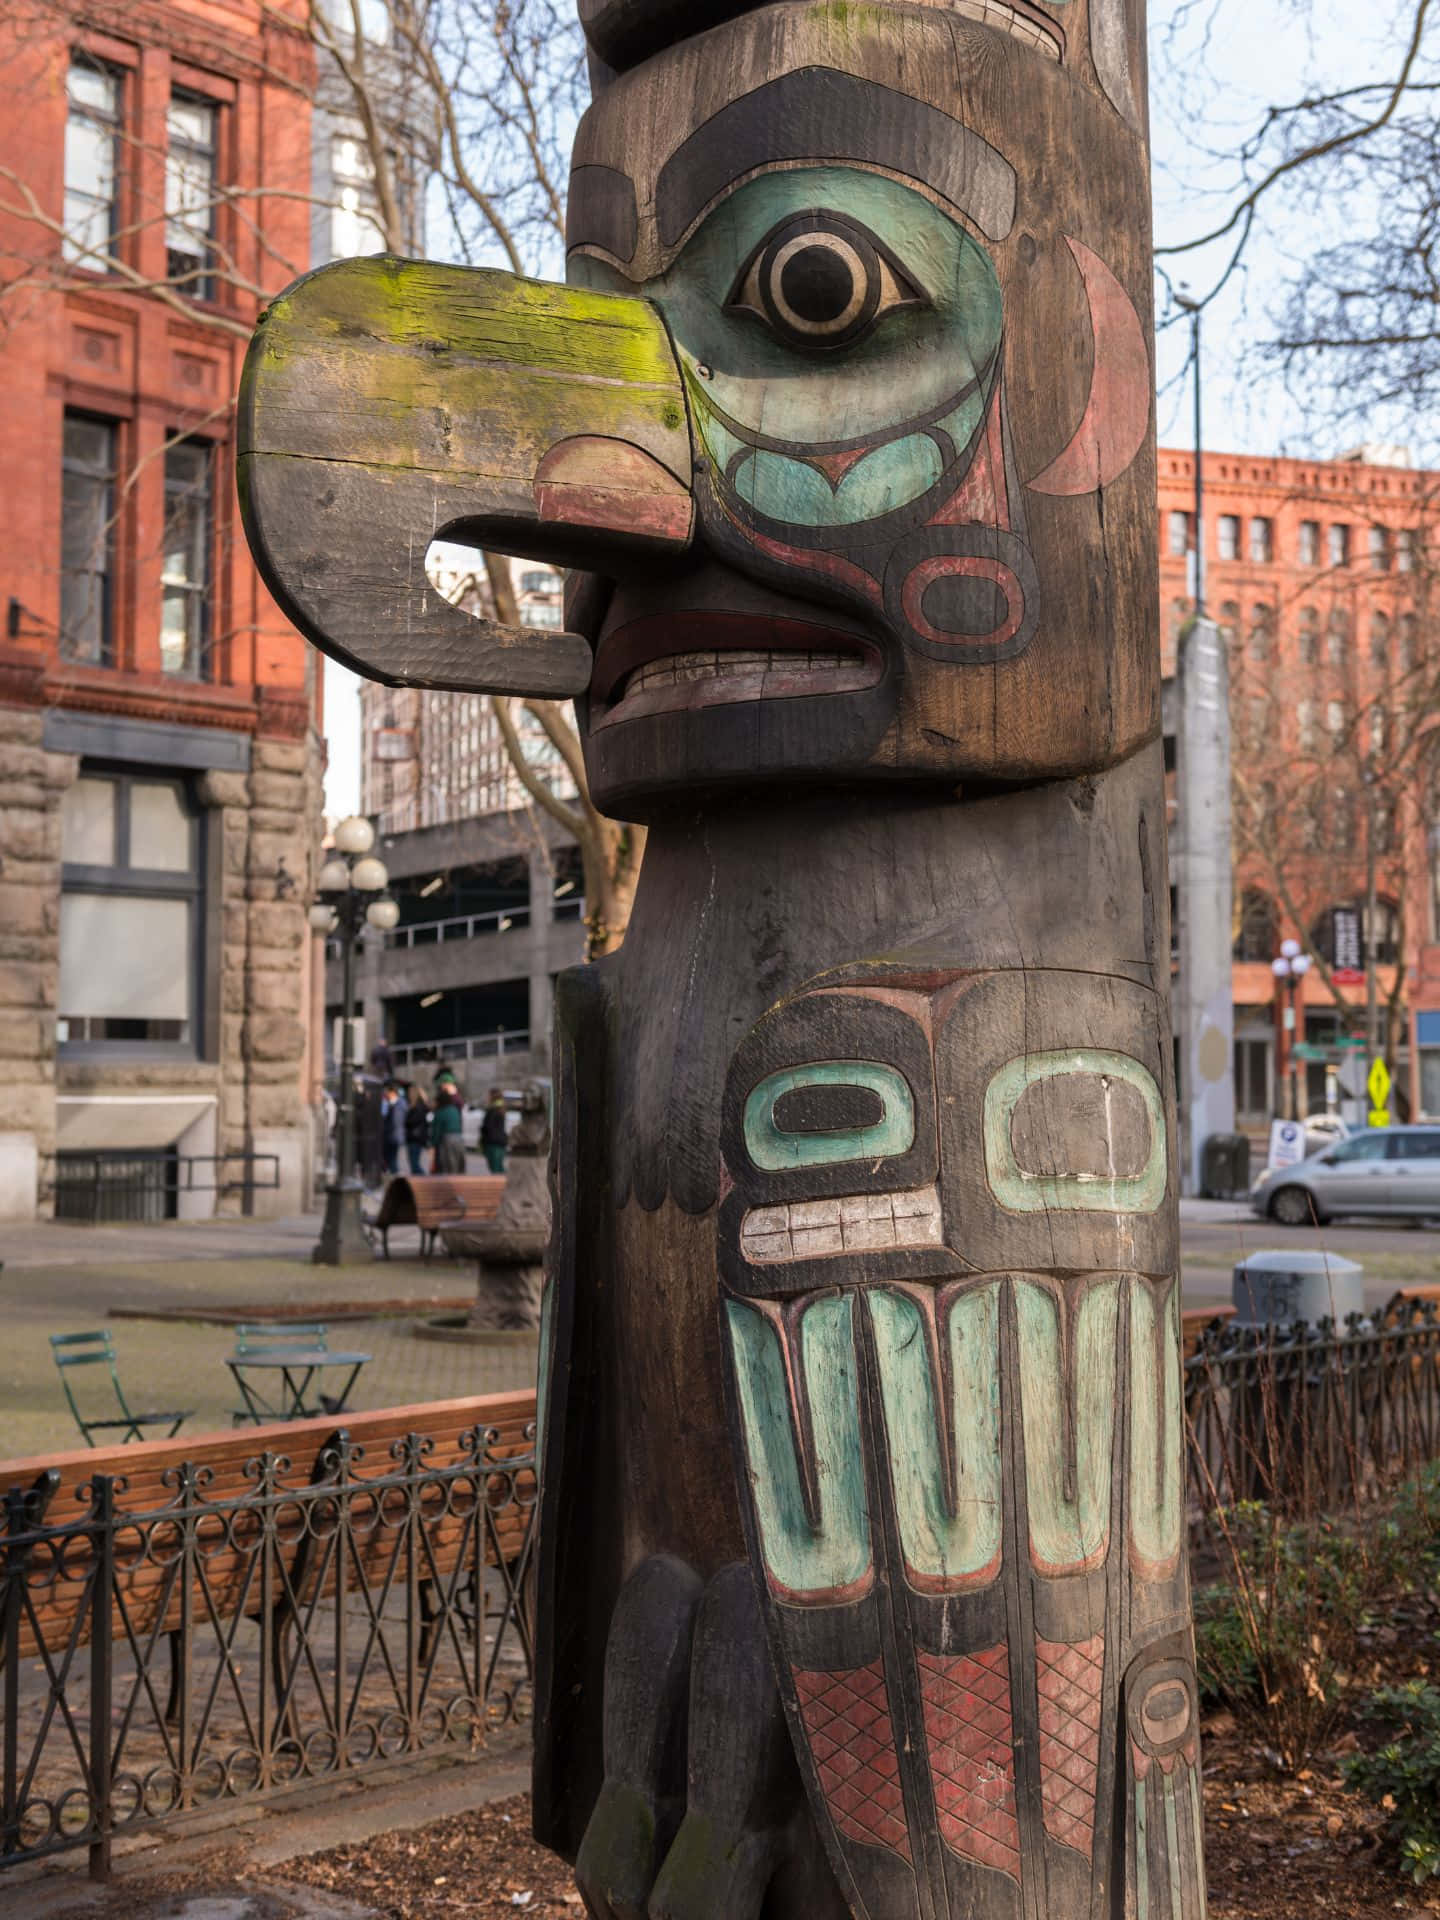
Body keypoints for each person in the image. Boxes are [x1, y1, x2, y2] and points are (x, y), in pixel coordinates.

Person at [431, 1074, 466, 1174]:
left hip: (447, 1138)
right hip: (458, 1136)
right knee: (457, 1166)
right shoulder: (454, 1106)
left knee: (448, 1166)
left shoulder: (449, 1103)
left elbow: (436, 1129)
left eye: (442, 1085)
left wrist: (433, 1144)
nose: (441, 1087)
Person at [380, 1081, 407, 1177]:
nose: (385, 1093)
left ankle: (395, 1179)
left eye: (386, 1091)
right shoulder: (392, 1104)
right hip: (392, 1136)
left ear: (392, 1092)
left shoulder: (398, 1105)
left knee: (392, 1160)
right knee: (390, 1159)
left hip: (393, 1136)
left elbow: (395, 1122)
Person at [403, 1082, 431, 1175]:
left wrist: (406, 1119)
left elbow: (412, 1121)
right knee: (413, 1164)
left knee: (414, 1164)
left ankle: (424, 1180)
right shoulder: (420, 1106)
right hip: (416, 1137)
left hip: (415, 1138)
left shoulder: (418, 1107)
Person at [480, 1089, 509, 1174]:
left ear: (492, 1096)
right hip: (500, 1142)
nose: (487, 1097)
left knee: (495, 1170)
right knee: (499, 1168)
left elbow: (488, 1127)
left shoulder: (493, 1110)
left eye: (488, 1095)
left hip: (493, 1143)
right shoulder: (501, 1108)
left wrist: (483, 1133)